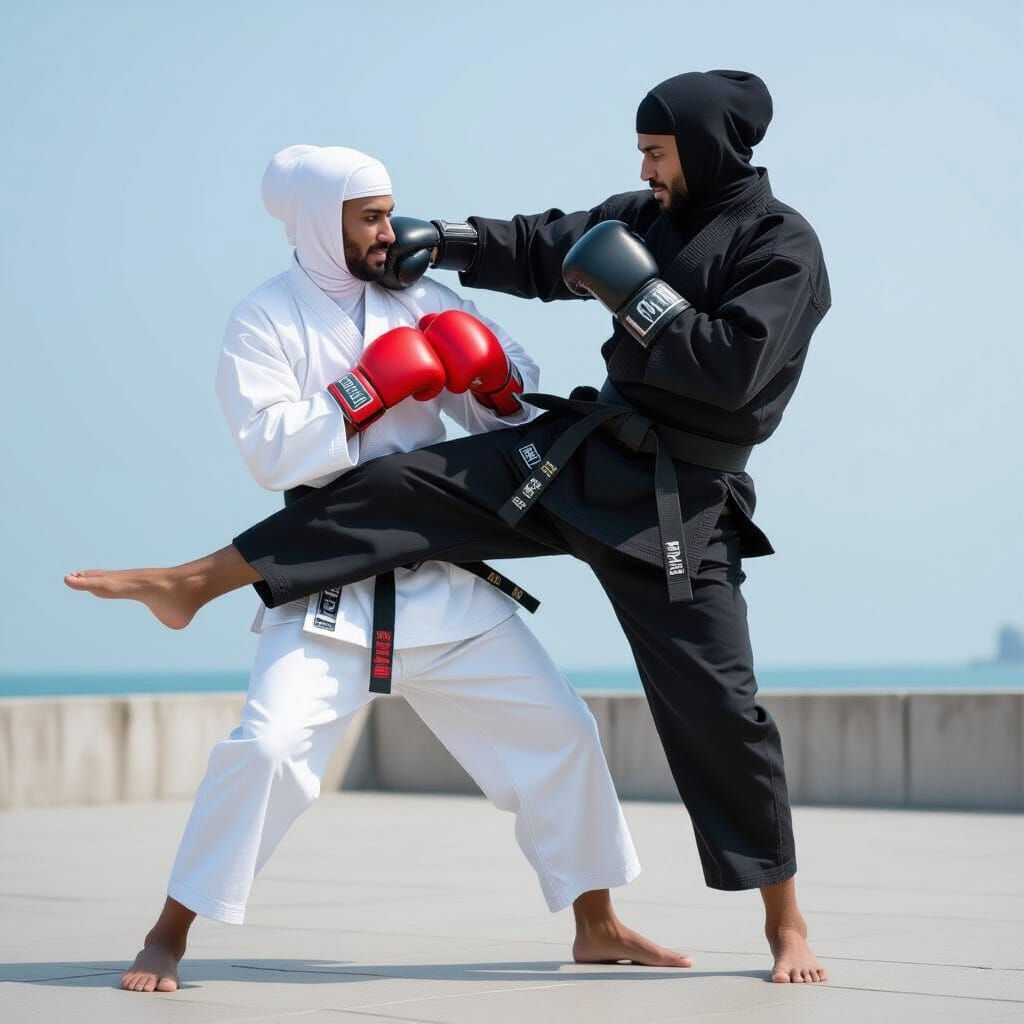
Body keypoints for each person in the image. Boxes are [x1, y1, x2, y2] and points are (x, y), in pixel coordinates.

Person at [66, 70, 832, 984]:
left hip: (679, 500)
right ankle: (197, 580)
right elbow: (551, 248)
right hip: (584, 457)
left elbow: (733, 371)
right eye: (642, 153)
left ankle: (783, 922)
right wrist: (451, 243)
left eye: (656, 153)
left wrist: (629, 301)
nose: (644, 168)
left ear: (705, 148)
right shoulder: (639, 213)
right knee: (404, 483)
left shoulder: (784, 247)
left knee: (717, 706)